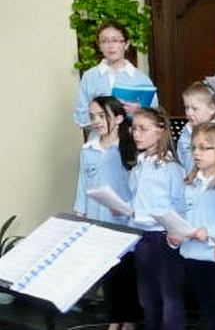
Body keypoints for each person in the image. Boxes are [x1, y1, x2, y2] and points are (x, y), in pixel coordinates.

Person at [73, 96, 140, 330]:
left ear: (119, 118)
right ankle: (114, 321)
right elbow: (83, 186)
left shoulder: (129, 148)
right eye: (92, 117)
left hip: (123, 223)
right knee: (107, 276)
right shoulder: (88, 150)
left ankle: (128, 322)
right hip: (97, 223)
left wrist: (126, 206)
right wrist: (80, 215)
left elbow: (137, 188)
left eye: (103, 116)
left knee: (125, 274)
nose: (97, 121)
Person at [166, 122, 215, 330]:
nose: (197, 153)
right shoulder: (189, 182)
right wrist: (174, 237)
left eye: (205, 148)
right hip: (193, 257)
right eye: (194, 147)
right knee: (209, 317)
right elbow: (180, 215)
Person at [129, 107, 186, 330]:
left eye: (143, 129)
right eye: (134, 128)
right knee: (147, 298)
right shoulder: (138, 167)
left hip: (164, 239)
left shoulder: (171, 168)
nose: (136, 134)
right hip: (141, 238)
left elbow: (180, 205)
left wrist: (176, 233)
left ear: (160, 131)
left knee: (169, 298)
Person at [74, 21, 158, 130]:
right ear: (99, 46)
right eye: (104, 41)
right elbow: (80, 118)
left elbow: (155, 117)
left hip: (133, 141)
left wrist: (137, 111)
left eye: (115, 40)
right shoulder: (90, 77)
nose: (110, 46)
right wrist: (101, 115)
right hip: (99, 142)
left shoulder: (141, 79)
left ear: (126, 44)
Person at [176, 82, 215, 172]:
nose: (189, 113)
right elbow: (182, 157)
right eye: (187, 108)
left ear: (212, 109)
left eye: (194, 109)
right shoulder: (188, 129)